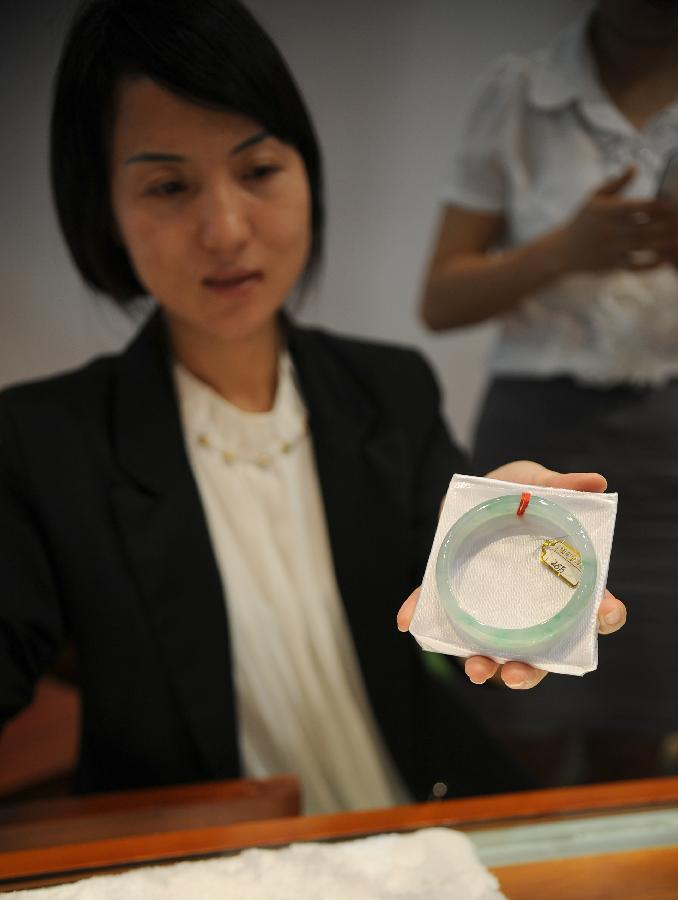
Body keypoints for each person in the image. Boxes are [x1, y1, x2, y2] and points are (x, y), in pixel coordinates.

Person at [0, 0, 625, 813]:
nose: (225, 229)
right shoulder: (44, 441)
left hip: (420, 815)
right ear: (104, 212)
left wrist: (507, 528)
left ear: (306, 172)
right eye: (167, 185)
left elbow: (448, 590)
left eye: (258, 172)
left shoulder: (388, 388)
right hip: (210, 860)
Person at [420, 0, 677, 781]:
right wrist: (564, 249)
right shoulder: (521, 93)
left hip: (670, 437)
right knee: (515, 714)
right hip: (538, 429)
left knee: (643, 720)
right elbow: (440, 298)